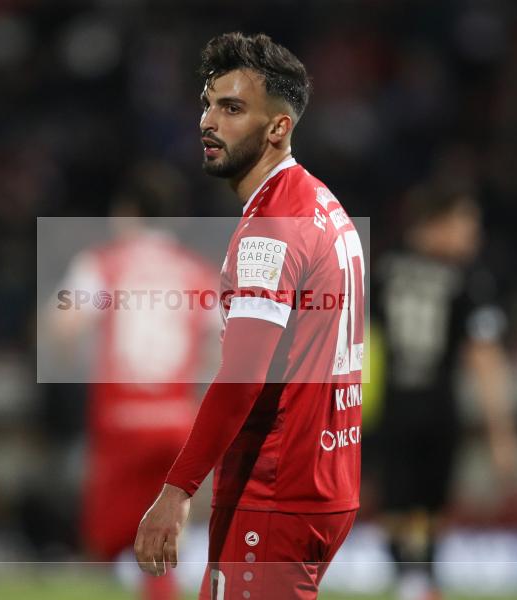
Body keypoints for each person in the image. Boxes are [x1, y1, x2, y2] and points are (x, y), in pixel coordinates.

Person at [134, 32, 365, 600]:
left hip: (277, 488)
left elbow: (242, 376)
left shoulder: (271, 228)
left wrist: (177, 489)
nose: (208, 121)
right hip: (325, 478)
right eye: (208, 104)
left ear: (278, 127)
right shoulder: (319, 201)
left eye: (232, 108)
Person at [51, 163, 217, 600]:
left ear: (126, 212)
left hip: (122, 420)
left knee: (101, 547)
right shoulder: (195, 273)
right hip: (178, 424)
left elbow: (63, 328)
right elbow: (225, 344)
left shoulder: (105, 266)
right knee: (160, 549)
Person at [371, 183, 517, 600]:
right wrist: (502, 432)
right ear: (437, 222)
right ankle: (420, 582)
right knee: (429, 505)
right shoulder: (468, 277)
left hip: (391, 406)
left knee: (398, 503)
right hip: (437, 408)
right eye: (466, 222)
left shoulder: (382, 267)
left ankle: (412, 581)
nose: (474, 234)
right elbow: (485, 356)